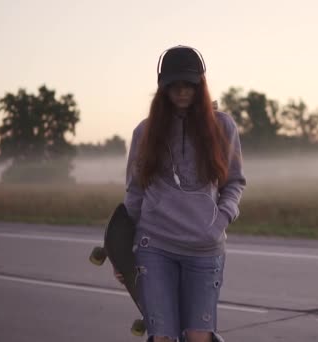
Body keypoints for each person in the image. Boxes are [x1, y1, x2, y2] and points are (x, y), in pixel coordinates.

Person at [118, 45, 246, 342]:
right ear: (163, 88)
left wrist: (219, 221)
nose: (182, 92)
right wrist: (122, 254)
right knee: (162, 337)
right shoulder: (145, 132)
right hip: (155, 246)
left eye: (188, 84)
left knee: (198, 336)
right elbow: (134, 194)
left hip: (204, 249)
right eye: (173, 85)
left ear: (200, 84)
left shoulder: (223, 126)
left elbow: (235, 182)